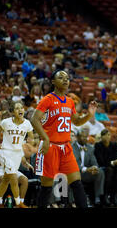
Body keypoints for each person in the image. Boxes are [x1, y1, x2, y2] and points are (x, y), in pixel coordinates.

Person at [30, 70, 97, 208]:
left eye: (67, 78)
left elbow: (77, 121)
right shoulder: (47, 99)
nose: (66, 80)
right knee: (47, 187)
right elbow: (34, 119)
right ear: (53, 82)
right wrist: (45, 138)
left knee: (77, 183)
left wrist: (89, 115)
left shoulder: (70, 101)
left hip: (66, 147)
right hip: (50, 147)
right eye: (61, 77)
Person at [0, 101, 34, 208]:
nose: (20, 110)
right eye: (17, 108)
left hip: (17, 154)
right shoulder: (6, 122)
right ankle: (18, 202)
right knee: (13, 177)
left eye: (22, 108)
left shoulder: (27, 123)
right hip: (5, 152)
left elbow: (31, 138)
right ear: (13, 112)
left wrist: (28, 143)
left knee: (6, 179)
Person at [72, 128, 104, 207]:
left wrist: (94, 168)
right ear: (77, 137)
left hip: (86, 173)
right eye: (82, 136)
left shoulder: (90, 148)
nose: (85, 138)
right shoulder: (72, 147)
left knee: (100, 172)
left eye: (86, 137)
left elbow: (94, 161)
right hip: (75, 173)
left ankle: (97, 197)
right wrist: (87, 169)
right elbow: (75, 164)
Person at [94, 128, 117, 207]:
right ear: (102, 137)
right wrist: (113, 162)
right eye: (105, 135)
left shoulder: (114, 145)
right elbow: (101, 160)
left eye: (109, 135)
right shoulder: (98, 145)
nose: (107, 136)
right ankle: (105, 196)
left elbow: (116, 157)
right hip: (102, 166)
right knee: (109, 171)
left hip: (112, 166)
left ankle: (114, 196)